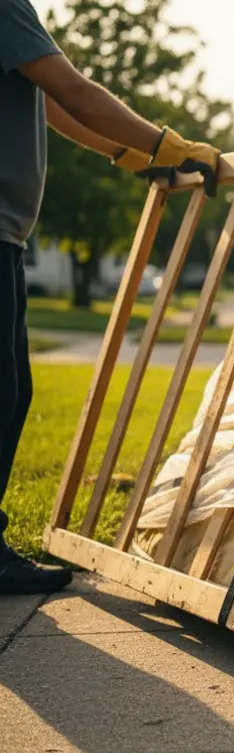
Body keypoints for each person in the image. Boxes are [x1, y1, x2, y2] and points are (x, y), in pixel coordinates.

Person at [0, 0, 221, 595]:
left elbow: (46, 98)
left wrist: (125, 152)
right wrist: (166, 144)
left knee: (11, 391)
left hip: (6, 236)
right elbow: (70, 86)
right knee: (2, 393)